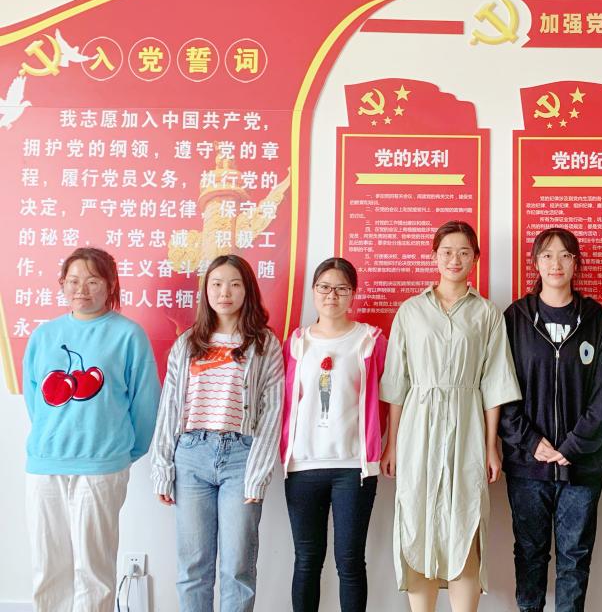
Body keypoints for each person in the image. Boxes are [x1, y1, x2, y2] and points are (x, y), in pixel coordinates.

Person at [380, 220, 521, 612]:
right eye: (446, 252)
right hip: (417, 425)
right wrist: (392, 443)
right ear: (434, 256)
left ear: (475, 258)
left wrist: (491, 446)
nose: (454, 259)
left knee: (466, 520)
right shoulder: (410, 311)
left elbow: (494, 383)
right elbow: (397, 382)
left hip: (468, 423)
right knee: (417, 517)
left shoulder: (487, 313)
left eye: (463, 252)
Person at [22, 247, 160, 612]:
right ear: (62, 284)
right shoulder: (44, 335)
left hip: (102, 465)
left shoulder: (128, 335)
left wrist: (122, 453)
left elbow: (146, 402)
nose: (81, 289)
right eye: (73, 281)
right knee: (48, 567)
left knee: (94, 570)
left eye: (93, 281)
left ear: (111, 284)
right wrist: (52, 439)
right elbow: (35, 400)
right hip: (46, 463)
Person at [151, 254, 284, 612]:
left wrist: (258, 474)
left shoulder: (264, 344)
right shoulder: (188, 343)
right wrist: (162, 467)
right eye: (217, 284)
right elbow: (170, 407)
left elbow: (272, 410)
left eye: (235, 284)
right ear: (206, 291)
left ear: (248, 290)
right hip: (191, 455)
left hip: (241, 457)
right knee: (193, 566)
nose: (225, 292)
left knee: (238, 566)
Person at [500, 228, 602, 612]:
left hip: (581, 463)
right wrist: (531, 442)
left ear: (576, 263)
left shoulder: (594, 318)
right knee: (529, 554)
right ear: (535, 262)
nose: (556, 263)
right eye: (547, 255)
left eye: (565, 255)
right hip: (527, 464)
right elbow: (500, 388)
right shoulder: (516, 317)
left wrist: (573, 445)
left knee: (575, 558)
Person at [279, 257, 388, 611]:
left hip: (353, 468)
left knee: (350, 562)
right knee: (306, 560)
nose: (332, 295)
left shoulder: (370, 341)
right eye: (324, 287)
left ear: (353, 294)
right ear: (313, 291)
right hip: (302, 466)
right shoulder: (296, 343)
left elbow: (389, 398)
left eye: (342, 288)